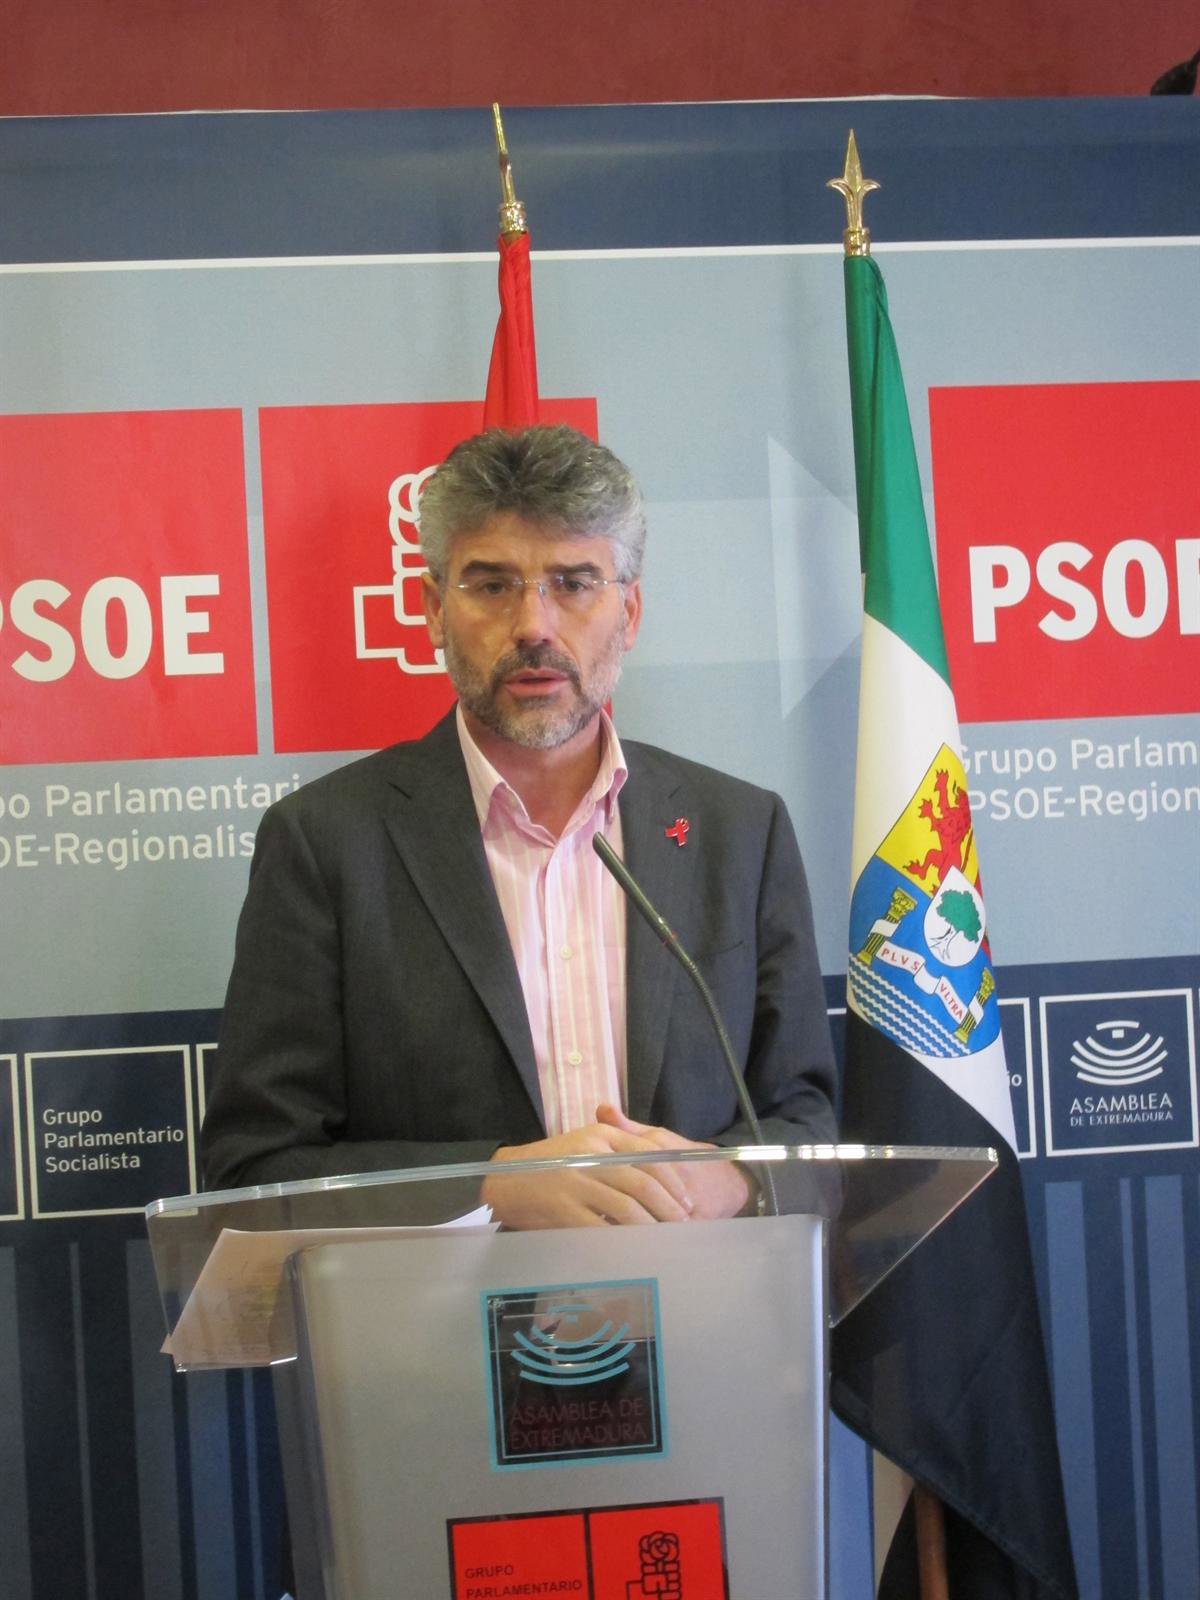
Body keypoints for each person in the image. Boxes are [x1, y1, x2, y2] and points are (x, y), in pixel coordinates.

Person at [200, 425, 836, 1225]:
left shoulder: (738, 830)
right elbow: (256, 1169)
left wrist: (734, 1180)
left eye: (574, 583)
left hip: (696, 1295)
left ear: (629, 612)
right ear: (435, 610)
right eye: (492, 585)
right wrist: (489, 1185)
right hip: (449, 1305)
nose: (534, 624)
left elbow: (806, 1121)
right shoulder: (326, 843)